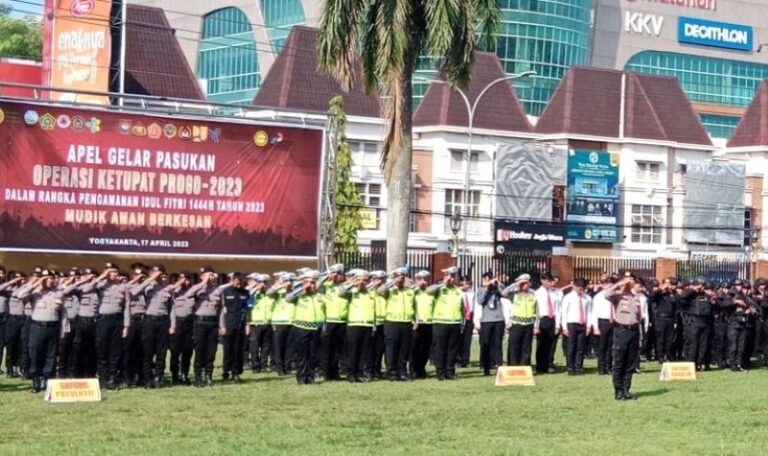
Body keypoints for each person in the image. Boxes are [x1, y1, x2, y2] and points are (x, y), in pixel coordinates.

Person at [16, 270, 78, 392]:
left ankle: (47, 378)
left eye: (51, 278)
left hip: (53, 327)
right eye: (47, 278)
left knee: (51, 354)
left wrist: (64, 329)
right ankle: (36, 379)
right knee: (35, 353)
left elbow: (63, 313)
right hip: (37, 327)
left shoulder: (58, 293)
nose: (50, 281)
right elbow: (19, 295)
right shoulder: (35, 292)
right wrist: (35, 284)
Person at [81, 263, 131, 390]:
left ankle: (112, 378)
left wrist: (126, 325)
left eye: (114, 271)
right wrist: (101, 277)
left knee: (115, 351)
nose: (112, 274)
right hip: (103, 320)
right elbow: (85, 289)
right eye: (110, 272)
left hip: (117, 320)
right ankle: (102, 378)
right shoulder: (101, 285)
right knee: (102, 349)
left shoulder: (123, 287)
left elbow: (127, 307)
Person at [133, 265, 176, 388]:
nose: (158, 275)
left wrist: (172, 325)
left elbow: (172, 308)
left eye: (160, 273)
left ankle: (159, 377)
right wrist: (149, 279)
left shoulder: (166, 288)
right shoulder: (147, 286)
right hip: (149, 321)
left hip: (163, 321)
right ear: (152, 273)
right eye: (156, 272)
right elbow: (134, 292)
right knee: (148, 351)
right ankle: (147, 378)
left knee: (161, 352)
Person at [602, 276, 643, 400]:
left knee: (630, 363)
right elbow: (607, 294)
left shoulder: (636, 297)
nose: (629, 284)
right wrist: (619, 284)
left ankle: (626, 389)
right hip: (621, 331)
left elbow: (639, 317)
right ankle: (618, 390)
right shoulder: (617, 296)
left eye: (631, 282)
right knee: (619, 361)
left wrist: (640, 335)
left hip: (634, 331)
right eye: (627, 282)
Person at [183, 266, 224, 387]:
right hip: (200, 322)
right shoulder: (197, 289)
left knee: (211, 350)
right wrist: (203, 283)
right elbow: (188, 294)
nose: (210, 277)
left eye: (211, 275)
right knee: (199, 350)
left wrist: (222, 325)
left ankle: (209, 376)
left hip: (213, 323)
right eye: (207, 275)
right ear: (202, 276)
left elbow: (221, 309)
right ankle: (198, 376)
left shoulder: (217, 290)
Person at [286, 270, 327, 385]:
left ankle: (310, 377)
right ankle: (301, 377)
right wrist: (303, 289)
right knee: (302, 354)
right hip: (301, 328)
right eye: (308, 282)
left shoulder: (320, 296)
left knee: (313, 354)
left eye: (313, 283)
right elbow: (288, 298)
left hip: (316, 329)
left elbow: (326, 310)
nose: (311, 285)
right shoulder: (299, 295)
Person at [378, 267, 416, 381]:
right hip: (392, 322)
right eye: (399, 277)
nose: (401, 279)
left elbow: (415, 306)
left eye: (403, 277)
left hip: (406, 322)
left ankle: (402, 371)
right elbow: (380, 291)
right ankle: (392, 372)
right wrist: (392, 282)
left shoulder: (409, 291)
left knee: (404, 349)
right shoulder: (389, 290)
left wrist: (416, 320)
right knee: (392, 349)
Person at [427, 267, 463, 380]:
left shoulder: (458, 290)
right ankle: (440, 372)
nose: (452, 278)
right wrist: (443, 283)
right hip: (441, 322)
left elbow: (462, 306)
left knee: (452, 349)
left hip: (455, 322)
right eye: (450, 276)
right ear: (445, 276)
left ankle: (450, 371)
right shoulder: (439, 288)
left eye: (453, 276)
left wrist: (462, 322)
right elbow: (428, 291)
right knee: (440, 348)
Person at [342, 270, 376, 382]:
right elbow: (341, 293)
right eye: (360, 279)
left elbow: (374, 309)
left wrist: (374, 325)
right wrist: (353, 284)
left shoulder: (370, 293)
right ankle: (351, 373)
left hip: (367, 325)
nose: (362, 282)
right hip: (354, 325)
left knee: (364, 352)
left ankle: (360, 373)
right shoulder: (351, 292)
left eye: (365, 280)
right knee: (353, 351)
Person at [319, 264, 348, 381]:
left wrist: (340, 281)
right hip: (328, 321)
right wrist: (326, 276)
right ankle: (326, 372)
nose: (336, 276)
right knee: (326, 349)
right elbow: (316, 287)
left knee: (338, 349)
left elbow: (343, 291)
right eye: (334, 273)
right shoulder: (326, 286)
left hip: (341, 321)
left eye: (338, 273)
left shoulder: (346, 286)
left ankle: (335, 372)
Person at [219, 272, 250, 382]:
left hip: (240, 325)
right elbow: (221, 310)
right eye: (237, 281)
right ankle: (226, 372)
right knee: (228, 350)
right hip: (228, 324)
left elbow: (248, 310)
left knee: (238, 350)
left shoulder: (246, 293)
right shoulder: (225, 291)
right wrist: (222, 326)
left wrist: (247, 324)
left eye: (241, 282)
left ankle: (236, 372)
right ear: (233, 280)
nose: (239, 284)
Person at [502, 274, 537, 367]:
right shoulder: (514, 294)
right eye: (523, 283)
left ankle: (524, 366)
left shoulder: (533, 294)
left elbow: (537, 311)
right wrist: (516, 284)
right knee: (514, 346)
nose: (525, 285)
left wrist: (536, 325)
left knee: (526, 347)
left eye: (526, 283)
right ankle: (513, 365)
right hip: (516, 324)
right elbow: (503, 293)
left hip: (529, 324)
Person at [474, 272, 505, 376]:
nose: (488, 282)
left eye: (489, 279)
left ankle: (499, 365)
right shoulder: (480, 289)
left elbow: (505, 293)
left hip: (498, 319)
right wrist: (487, 288)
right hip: (486, 320)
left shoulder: (496, 289)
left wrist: (498, 283)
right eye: (486, 280)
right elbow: (480, 301)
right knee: (486, 344)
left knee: (498, 344)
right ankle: (486, 367)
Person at [560, 278, 592, 375]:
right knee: (571, 347)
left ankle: (579, 366)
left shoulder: (587, 298)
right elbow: (564, 313)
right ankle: (570, 367)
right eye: (578, 288)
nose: (580, 290)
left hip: (582, 324)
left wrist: (589, 326)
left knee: (581, 347)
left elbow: (589, 312)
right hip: (571, 324)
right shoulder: (568, 298)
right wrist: (564, 327)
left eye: (582, 288)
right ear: (574, 286)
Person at [680, 280, 714, 371]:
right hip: (694, 322)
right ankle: (691, 363)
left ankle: (700, 362)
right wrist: (693, 289)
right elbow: (682, 297)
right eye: (700, 286)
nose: (702, 288)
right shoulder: (690, 295)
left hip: (705, 322)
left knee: (704, 344)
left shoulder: (706, 296)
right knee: (693, 344)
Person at [268, 273, 296, 376]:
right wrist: (280, 285)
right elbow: (269, 293)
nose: (289, 283)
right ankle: (279, 368)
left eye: (290, 281)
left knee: (289, 347)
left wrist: (291, 287)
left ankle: (287, 367)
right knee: (279, 346)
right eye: (287, 280)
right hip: (279, 322)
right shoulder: (278, 291)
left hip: (291, 321)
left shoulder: (295, 291)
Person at [169, 272, 194, 385]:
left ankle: (184, 374)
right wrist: (172, 326)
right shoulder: (174, 292)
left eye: (187, 280)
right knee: (175, 351)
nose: (185, 281)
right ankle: (174, 375)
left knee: (187, 351)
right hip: (177, 323)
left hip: (190, 324)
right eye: (183, 279)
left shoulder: (193, 292)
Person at [125, 265, 148, 386]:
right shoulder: (130, 287)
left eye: (142, 276)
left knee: (143, 351)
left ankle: (141, 377)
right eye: (137, 275)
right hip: (133, 321)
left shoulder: (147, 289)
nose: (140, 278)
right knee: (130, 351)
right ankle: (129, 377)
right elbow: (130, 290)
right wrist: (135, 280)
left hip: (144, 321)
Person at [533, 273, 560, 374]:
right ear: (542, 281)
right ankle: (540, 366)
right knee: (541, 344)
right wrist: (536, 325)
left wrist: (557, 324)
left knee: (551, 344)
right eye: (547, 281)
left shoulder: (554, 294)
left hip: (552, 319)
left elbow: (558, 309)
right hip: (542, 320)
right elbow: (536, 310)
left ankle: (548, 364)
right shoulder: (537, 293)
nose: (550, 283)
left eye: (551, 281)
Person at [246, 274, 273, 374]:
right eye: (262, 282)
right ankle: (255, 366)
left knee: (266, 347)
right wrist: (255, 288)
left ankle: (264, 365)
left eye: (265, 283)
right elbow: (247, 299)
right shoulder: (252, 293)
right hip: (255, 323)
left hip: (267, 323)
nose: (264, 285)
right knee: (255, 346)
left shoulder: (268, 294)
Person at [1, 272, 27, 377]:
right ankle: (10, 368)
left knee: (21, 344)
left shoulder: (27, 290)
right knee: (11, 344)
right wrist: (13, 281)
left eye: (22, 278)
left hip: (23, 318)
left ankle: (19, 367)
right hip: (12, 319)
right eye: (18, 278)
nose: (20, 280)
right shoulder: (9, 290)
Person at [56, 269, 80, 378]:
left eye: (76, 276)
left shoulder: (79, 292)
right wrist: (70, 282)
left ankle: (73, 372)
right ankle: (62, 372)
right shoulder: (61, 289)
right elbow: (61, 289)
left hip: (77, 322)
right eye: (71, 276)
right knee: (63, 349)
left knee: (75, 349)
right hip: (65, 323)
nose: (74, 279)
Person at [410, 270, 434, 379]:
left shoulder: (431, 292)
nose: (423, 282)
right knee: (414, 348)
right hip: (417, 323)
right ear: (416, 280)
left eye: (425, 279)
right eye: (420, 279)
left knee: (426, 348)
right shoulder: (413, 292)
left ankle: (421, 368)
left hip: (429, 323)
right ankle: (413, 369)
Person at [590, 276, 615, 375]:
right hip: (602, 322)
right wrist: (595, 327)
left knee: (610, 346)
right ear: (604, 285)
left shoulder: (614, 296)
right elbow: (594, 312)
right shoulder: (598, 296)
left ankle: (608, 367)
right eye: (608, 285)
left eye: (612, 285)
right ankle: (601, 368)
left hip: (613, 322)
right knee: (602, 346)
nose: (610, 287)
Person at [651, 278, 679, 363]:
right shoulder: (660, 294)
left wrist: (675, 322)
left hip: (670, 319)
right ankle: (660, 357)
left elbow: (675, 310)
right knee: (660, 339)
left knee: (669, 340)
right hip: (660, 319)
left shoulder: (672, 295)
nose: (668, 285)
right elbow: (652, 296)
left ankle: (667, 356)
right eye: (666, 283)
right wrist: (661, 288)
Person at [369, 271, 388, 379]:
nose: (375, 281)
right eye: (374, 279)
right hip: (373, 322)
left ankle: (377, 370)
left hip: (384, 322)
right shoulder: (369, 290)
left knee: (380, 348)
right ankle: (370, 370)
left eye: (378, 279)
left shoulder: (386, 291)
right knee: (371, 348)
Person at [457, 277, 475, 368]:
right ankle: (458, 360)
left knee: (467, 341)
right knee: (458, 340)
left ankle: (466, 360)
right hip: (460, 319)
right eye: (462, 283)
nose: (464, 285)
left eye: (466, 283)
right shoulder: (458, 293)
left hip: (469, 319)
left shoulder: (473, 294)